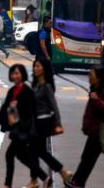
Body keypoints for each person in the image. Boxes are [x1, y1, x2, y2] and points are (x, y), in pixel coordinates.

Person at [0, 64, 49, 188]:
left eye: (17, 73)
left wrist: (34, 129)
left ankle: (8, 184)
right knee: (21, 155)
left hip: (25, 129)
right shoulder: (12, 91)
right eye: (13, 73)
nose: (14, 76)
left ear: (23, 74)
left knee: (10, 154)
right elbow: (4, 109)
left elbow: (33, 112)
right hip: (16, 129)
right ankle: (44, 177)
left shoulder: (28, 91)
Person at [65, 67, 104, 188]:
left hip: (101, 132)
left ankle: (77, 182)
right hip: (95, 132)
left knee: (92, 159)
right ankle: (77, 181)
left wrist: (97, 100)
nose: (89, 76)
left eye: (91, 74)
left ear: (99, 78)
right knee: (88, 158)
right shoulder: (95, 89)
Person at [31, 58, 71, 187]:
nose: (35, 69)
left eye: (37, 66)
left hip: (43, 122)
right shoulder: (36, 85)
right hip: (37, 122)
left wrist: (58, 124)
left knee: (37, 152)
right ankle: (56, 174)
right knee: (38, 152)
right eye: (34, 66)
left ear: (44, 69)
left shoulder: (47, 86)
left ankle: (50, 176)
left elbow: (54, 106)